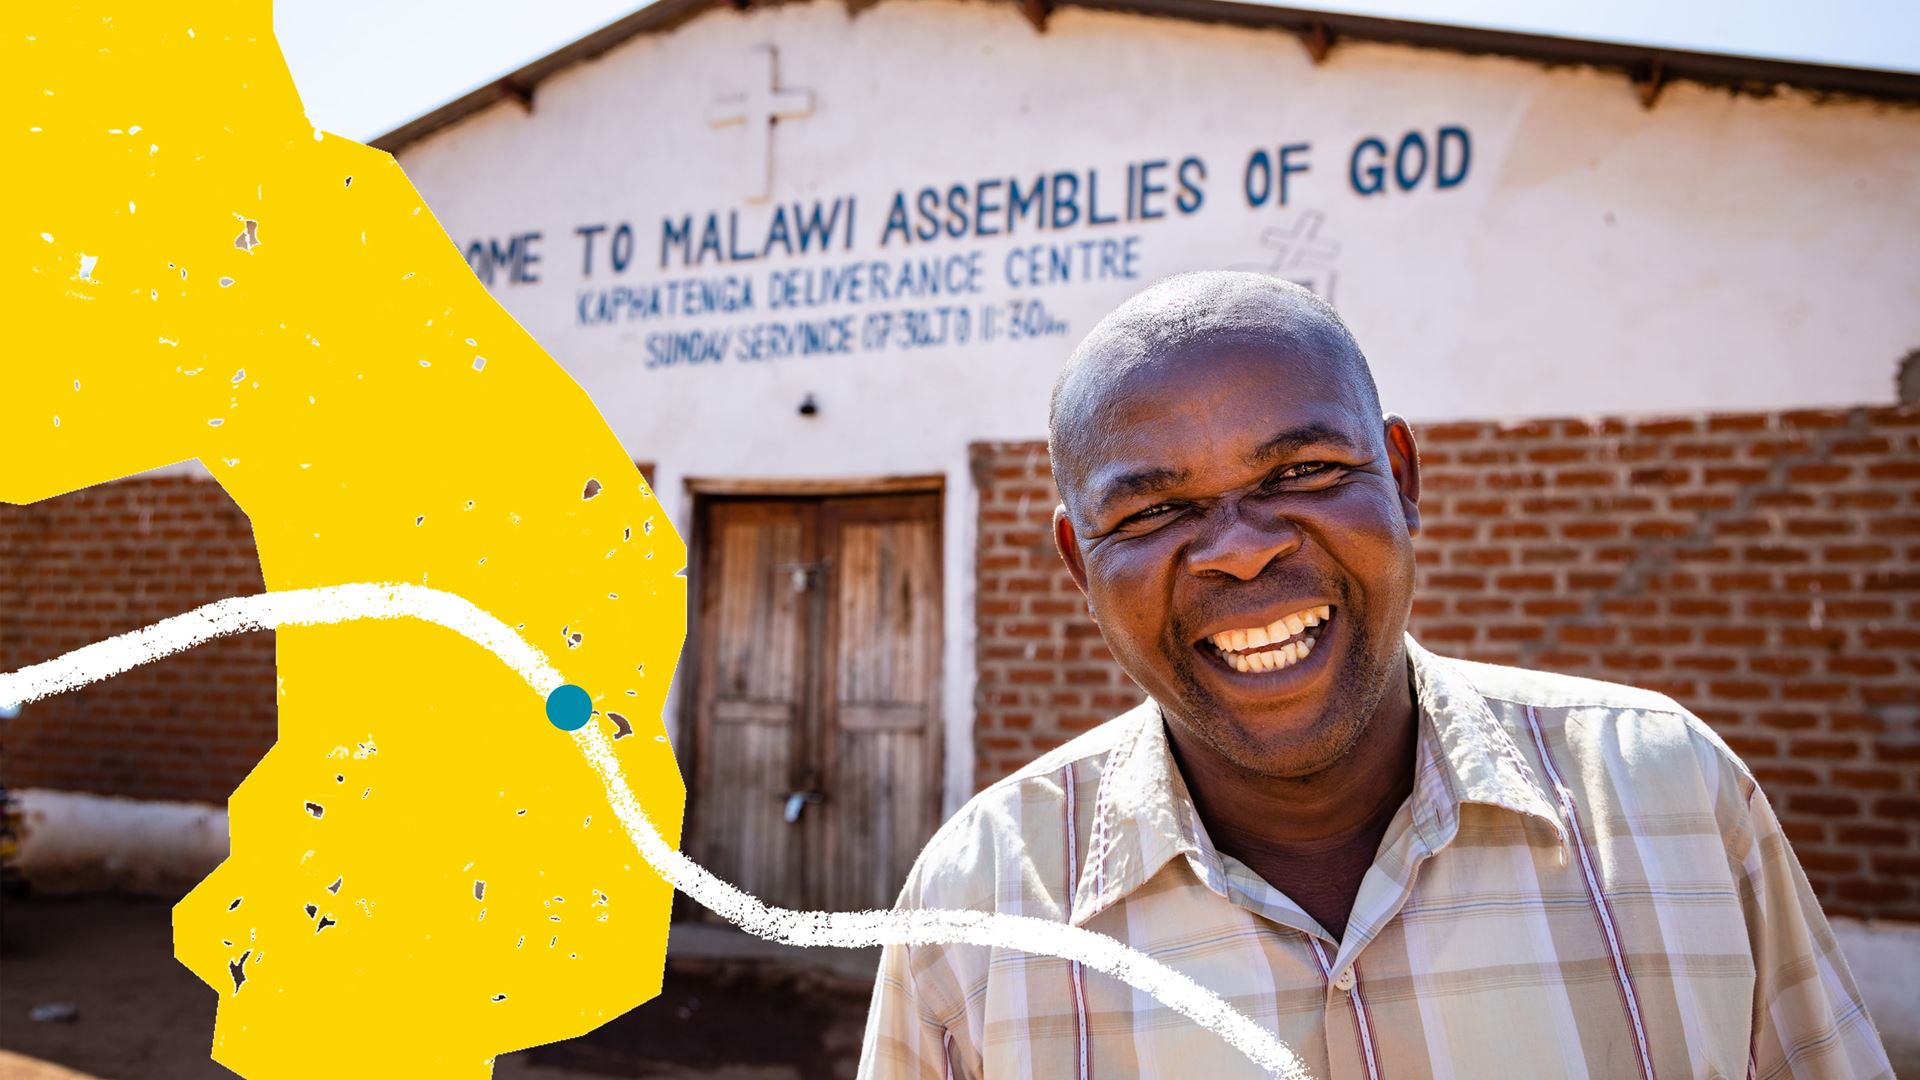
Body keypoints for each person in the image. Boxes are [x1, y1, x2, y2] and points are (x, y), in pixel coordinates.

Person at [856, 272, 1891, 1078]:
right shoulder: (974, 907)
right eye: (1154, 510)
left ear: (1399, 479)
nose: (1241, 550)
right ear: (1081, 566)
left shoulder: (1674, 799)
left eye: (1302, 472)